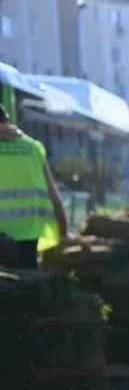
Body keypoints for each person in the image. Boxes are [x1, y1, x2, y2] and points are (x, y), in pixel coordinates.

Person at [0, 104, 66, 269]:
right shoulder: (34, 148)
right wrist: (63, 233)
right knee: (26, 287)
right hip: (28, 237)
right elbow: (54, 196)